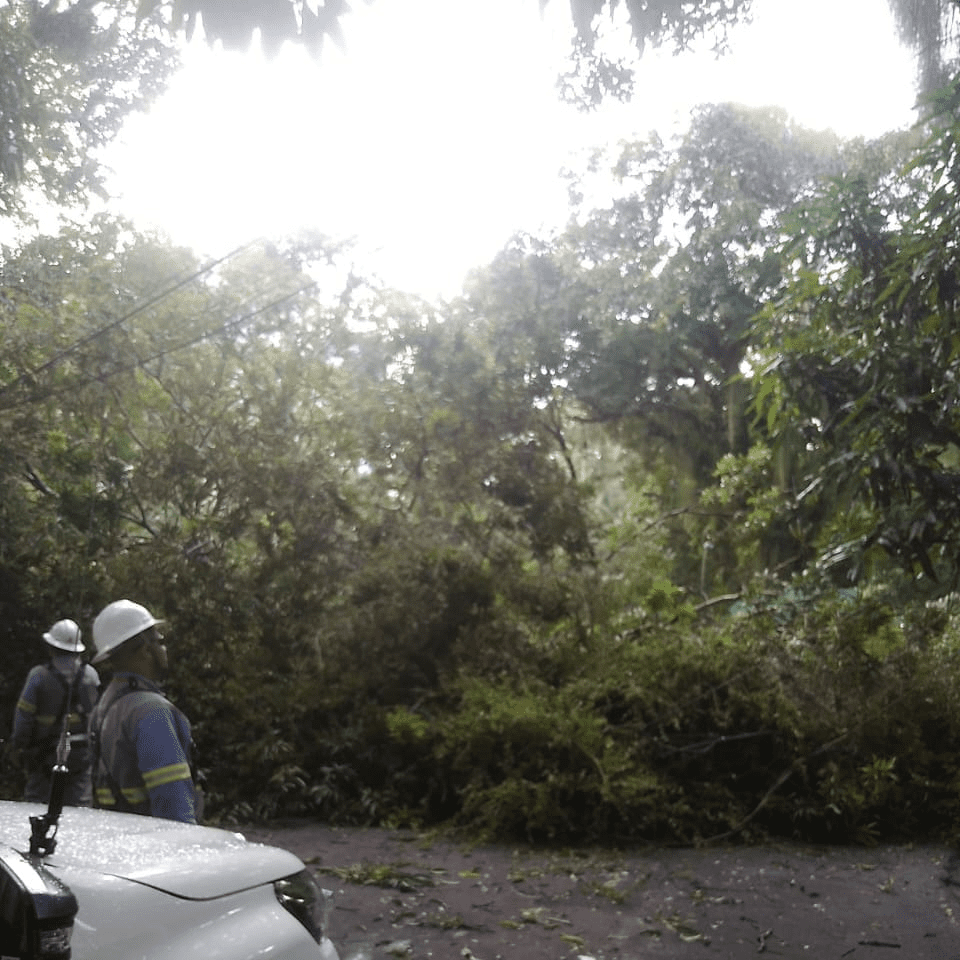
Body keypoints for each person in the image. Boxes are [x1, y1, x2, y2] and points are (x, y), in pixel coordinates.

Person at [88, 599, 199, 824]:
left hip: (119, 842)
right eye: (160, 641)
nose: (164, 648)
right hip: (154, 849)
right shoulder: (152, 712)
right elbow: (174, 808)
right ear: (146, 650)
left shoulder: (104, 706)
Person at [11, 619, 100, 806]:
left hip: (45, 754)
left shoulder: (39, 676)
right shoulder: (91, 675)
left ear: (51, 648)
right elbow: (96, 718)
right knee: (79, 808)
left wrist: (18, 747)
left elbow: (23, 719)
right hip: (81, 755)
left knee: (37, 805)